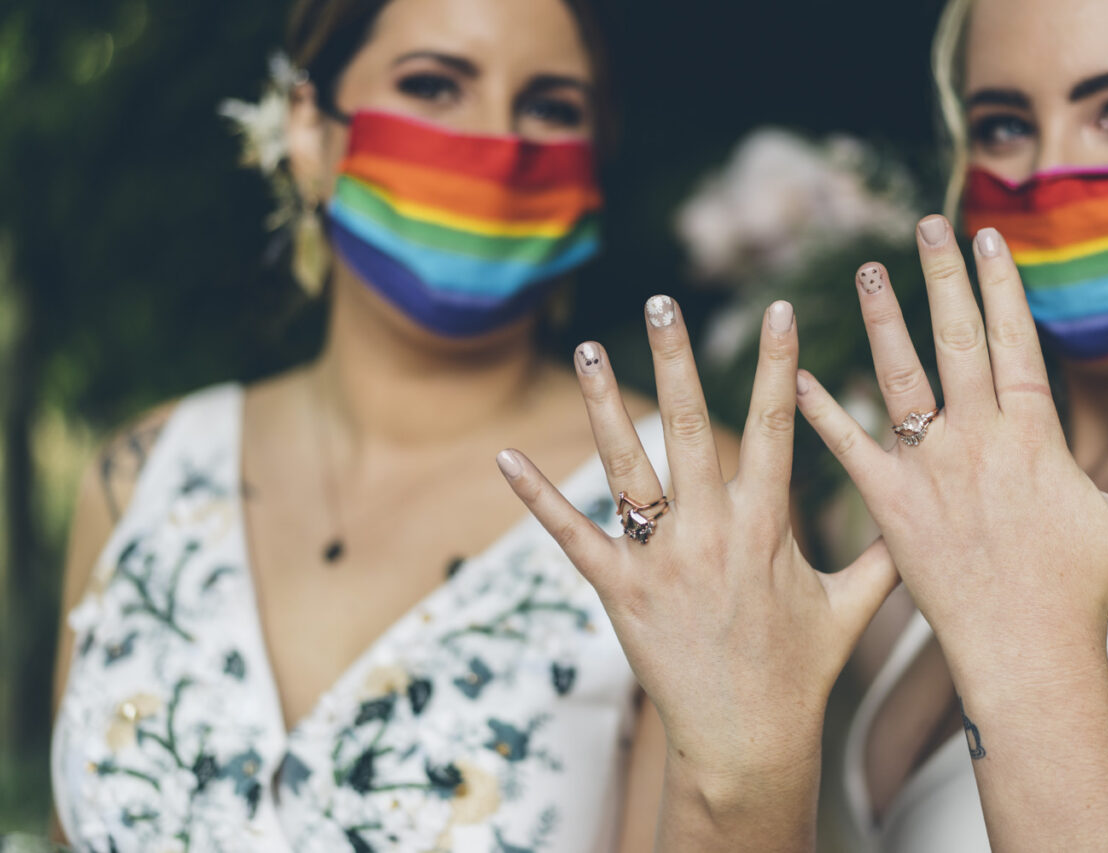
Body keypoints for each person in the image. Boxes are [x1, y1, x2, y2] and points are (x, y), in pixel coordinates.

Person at [497, 0, 1108, 849]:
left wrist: (1030, 648)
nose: (1049, 168)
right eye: (1005, 124)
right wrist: (737, 760)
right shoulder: (922, 504)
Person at [48, 1, 716, 849]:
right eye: (434, 85)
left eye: (552, 107)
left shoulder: (686, 499)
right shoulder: (137, 478)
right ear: (309, 130)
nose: (499, 147)